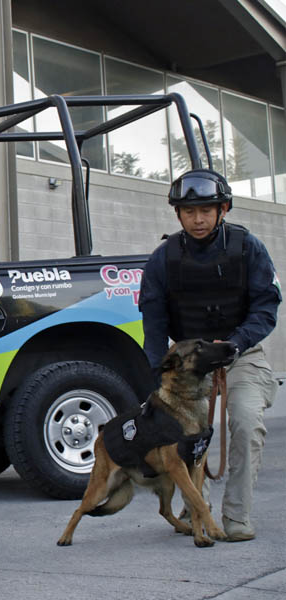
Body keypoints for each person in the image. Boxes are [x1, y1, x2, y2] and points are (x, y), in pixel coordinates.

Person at [138, 168, 281, 542]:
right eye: (188, 212)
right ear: (178, 215)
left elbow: (266, 307)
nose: (197, 219)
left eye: (205, 210)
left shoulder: (248, 248)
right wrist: (158, 371)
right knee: (180, 434)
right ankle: (196, 504)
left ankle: (236, 515)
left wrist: (236, 342)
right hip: (187, 362)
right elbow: (153, 321)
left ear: (223, 209)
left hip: (240, 353)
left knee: (247, 422)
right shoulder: (163, 259)